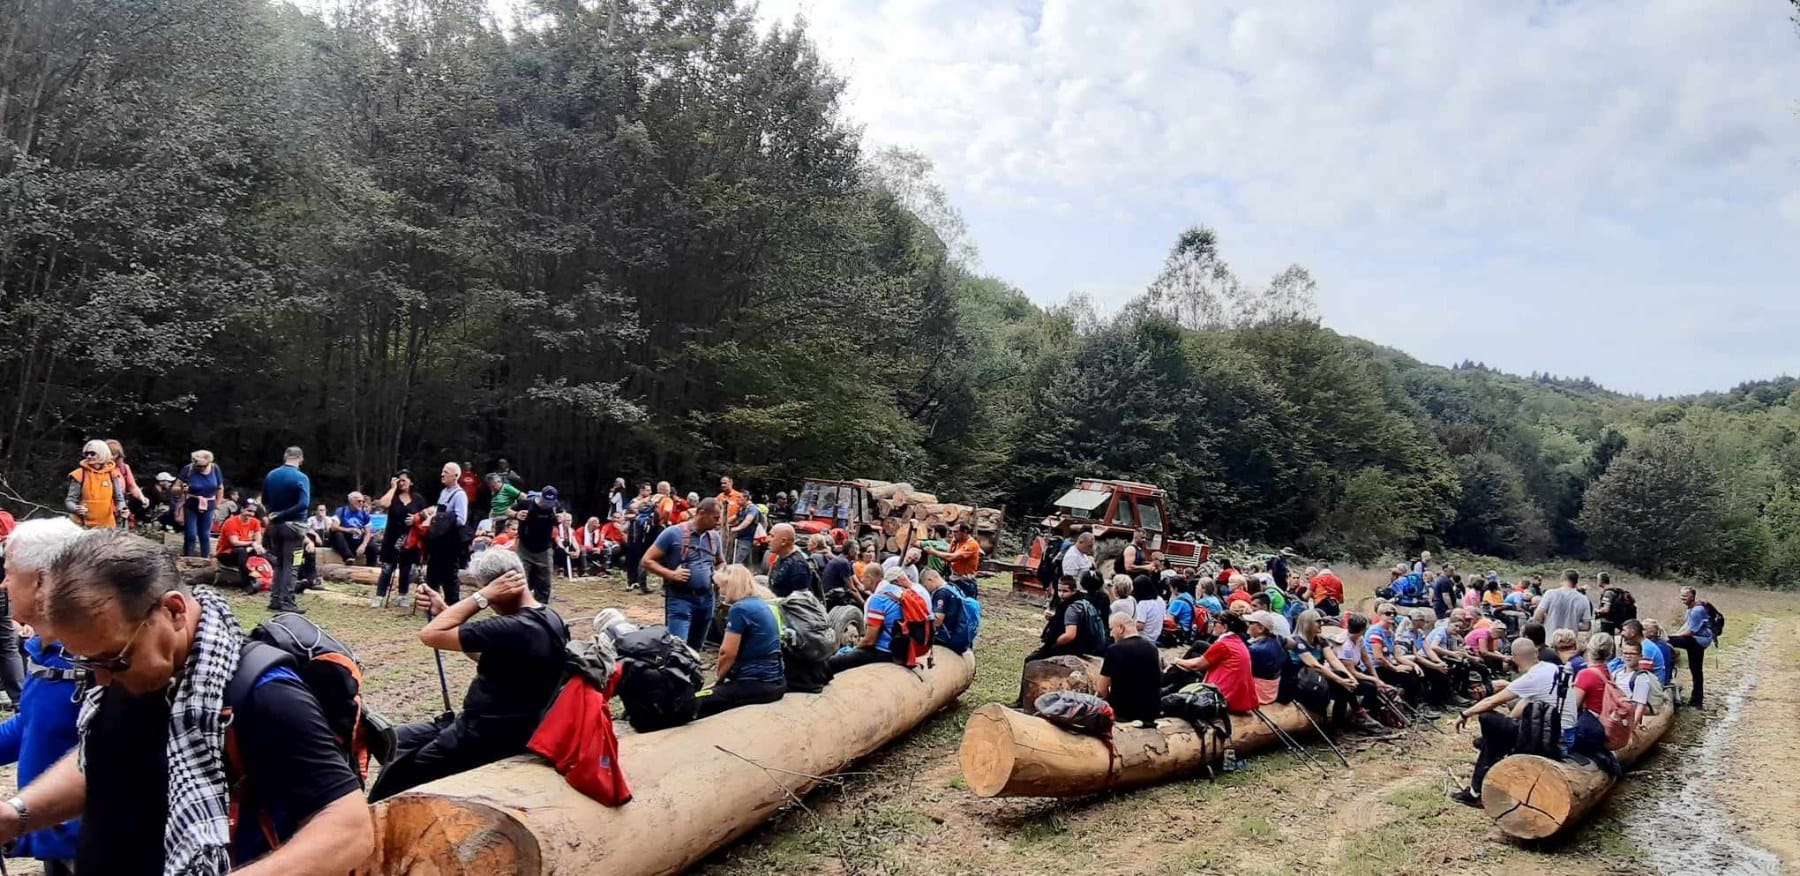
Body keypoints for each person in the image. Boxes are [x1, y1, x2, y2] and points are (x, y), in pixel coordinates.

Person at [17, 530, 371, 872]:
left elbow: (348, 827)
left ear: (173, 611)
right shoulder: (127, 670)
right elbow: (103, 762)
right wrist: (16, 815)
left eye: (114, 660)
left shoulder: (263, 693)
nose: (102, 680)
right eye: (87, 662)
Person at [373, 550, 568, 801]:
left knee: (396, 775)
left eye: (484, 589)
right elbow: (483, 655)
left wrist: (481, 597)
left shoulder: (514, 627)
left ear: (500, 587)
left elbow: (430, 635)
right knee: (394, 739)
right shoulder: (547, 618)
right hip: (486, 727)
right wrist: (443, 610)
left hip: (484, 737)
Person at [0, 519, 85, 875]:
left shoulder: (93, 661)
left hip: (86, 848)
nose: (3, 583)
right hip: (52, 838)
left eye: (8, 572)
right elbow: (32, 723)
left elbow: (109, 758)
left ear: (40, 581)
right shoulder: (45, 650)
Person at [1452, 638, 1569, 806]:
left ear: (1514, 657)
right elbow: (1520, 708)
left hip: (1549, 739)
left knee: (1487, 718)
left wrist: (1464, 714)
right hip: (1561, 732)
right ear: (1536, 653)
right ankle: (1479, 783)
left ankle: (1476, 792)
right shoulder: (1551, 668)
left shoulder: (1532, 677)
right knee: (1495, 737)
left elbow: (1490, 702)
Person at [695, 566, 785, 718]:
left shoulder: (740, 609)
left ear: (730, 586)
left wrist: (719, 679)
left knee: (694, 701)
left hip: (756, 682)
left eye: (722, 586)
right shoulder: (760, 603)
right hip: (775, 680)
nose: (721, 592)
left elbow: (727, 653)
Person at [642, 497, 723, 652]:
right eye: (715, 518)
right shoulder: (673, 533)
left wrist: (719, 574)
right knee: (677, 649)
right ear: (701, 513)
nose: (718, 522)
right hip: (681, 599)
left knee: (695, 649)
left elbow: (721, 562)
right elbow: (647, 561)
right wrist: (671, 574)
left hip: (707, 600)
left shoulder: (714, 537)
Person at [1173, 612, 1257, 713]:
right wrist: (1181, 662)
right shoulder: (1236, 641)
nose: (1213, 625)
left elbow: (1196, 666)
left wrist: (1177, 661)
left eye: (1216, 622)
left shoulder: (1223, 644)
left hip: (1223, 698)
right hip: (1236, 697)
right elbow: (1201, 661)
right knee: (1185, 666)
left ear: (1225, 627)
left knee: (1183, 674)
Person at [261, 447, 312, 614]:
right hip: (294, 527)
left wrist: (274, 514)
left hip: (275, 526)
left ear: (285, 457)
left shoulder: (271, 475)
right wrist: (284, 514)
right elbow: (303, 504)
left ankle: (275, 599)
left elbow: (265, 499)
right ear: (300, 459)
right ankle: (287, 601)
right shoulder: (301, 477)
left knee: (280, 563)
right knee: (293, 565)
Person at [1096, 613, 1161, 726]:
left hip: (1124, 713)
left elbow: (1101, 689)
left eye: (1111, 629)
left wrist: (1108, 702)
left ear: (1121, 628)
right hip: (1151, 712)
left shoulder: (1114, 650)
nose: (1111, 634)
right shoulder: (1152, 648)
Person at [1023, 576, 1103, 662]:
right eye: (1059, 590)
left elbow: (1070, 635)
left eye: (1065, 591)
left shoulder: (1072, 608)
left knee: (1030, 660)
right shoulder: (1083, 602)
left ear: (1074, 590)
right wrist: (1053, 618)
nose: (1061, 594)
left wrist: (1054, 644)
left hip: (1071, 647)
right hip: (1085, 645)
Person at [425, 462, 472, 604]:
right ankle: (432, 604)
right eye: (442, 471)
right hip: (437, 539)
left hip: (450, 542)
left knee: (449, 576)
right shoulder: (444, 492)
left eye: (446, 472)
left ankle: (452, 605)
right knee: (432, 573)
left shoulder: (460, 495)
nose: (442, 474)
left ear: (455, 476)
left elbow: (461, 519)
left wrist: (440, 517)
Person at [511, 487, 559, 603]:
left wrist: (560, 517)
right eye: (545, 501)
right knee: (522, 577)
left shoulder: (555, 506)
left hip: (544, 548)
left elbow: (562, 513)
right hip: (525, 547)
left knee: (544, 580)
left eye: (550, 502)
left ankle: (541, 606)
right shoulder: (527, 503)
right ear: (541, 496)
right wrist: (516, 514)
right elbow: (507, 510)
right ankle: (520, 604)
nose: (547, 505)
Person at [1668, 586, 1713, 708]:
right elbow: (1686, 626)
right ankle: (1696, 700)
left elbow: (1691, 631)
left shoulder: (1697, 610)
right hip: (1696, 640)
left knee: (1667, 640)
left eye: (1685, 595)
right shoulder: (1691, 609)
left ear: (1692, 596)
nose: (1682, 598)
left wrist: (1671, 638)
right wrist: (1675, 635)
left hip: (1698, 641)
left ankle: (1696, 701)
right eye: (1681, 595)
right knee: (1696, 670)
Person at [65, 440, 125, 531]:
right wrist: (75, 508)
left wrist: (123, 509)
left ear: (102, 454)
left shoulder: (112, 474)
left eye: (92, 453)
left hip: (107, 527)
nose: (88, 456)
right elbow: (69, 501)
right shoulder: (79, 474)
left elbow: (119, 500)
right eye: (86, 454)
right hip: (82, 526)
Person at [177, 450, 225, 557]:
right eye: (198, 466)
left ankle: (205, 558)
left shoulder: (215, 468)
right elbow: (175, 488)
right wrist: (182, 489)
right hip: (191, 505)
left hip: (209, 505)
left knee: (205, 535)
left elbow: (220, 488)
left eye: (204, 466)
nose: (201, 468)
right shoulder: (188, 469)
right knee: (191, 534)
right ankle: (188, 557)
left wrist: (217, 506)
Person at [1611, 641, 1658, 731]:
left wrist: (1633, 726)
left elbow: (1640, 705)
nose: (1628, 656)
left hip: (1627, 716)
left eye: (1632, 654)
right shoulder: (1616, 673)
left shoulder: (1641, 678)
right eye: (1625, 653)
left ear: (1640, 656)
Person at [214, 500, 266, 581]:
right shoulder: (231, 522)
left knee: (263, 552)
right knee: (241, 551)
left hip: (247, 549)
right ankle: (245, 581)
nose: (251, 514)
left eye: (253, 512)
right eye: (249, 511)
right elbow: (234, 542)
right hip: (227, 553)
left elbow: (258, 539)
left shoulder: (255, 522)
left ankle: (265, 578)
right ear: (242, 509)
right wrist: (251, 543)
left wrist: (256, 546)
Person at [922, 569, 971, 653]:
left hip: (946, 636)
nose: (927, 589)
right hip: (958, 631)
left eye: (926, 586)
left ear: (930, 580)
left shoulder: (941, 594)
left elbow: (938, 621)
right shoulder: (952, 587)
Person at [1534, 569, 1593, 636]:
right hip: (1569, 639)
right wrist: (1574, 625)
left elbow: (1537, 616)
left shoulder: (1550, 594)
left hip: (1550, 637)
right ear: (1576, 582)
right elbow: (1586, 626)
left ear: (1562, 579)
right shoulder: (1583, 599)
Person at [1245, 611, 1286, 706]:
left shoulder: (1255, 649)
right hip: (1273, 689)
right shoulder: (1278, 639)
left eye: (1251, 623)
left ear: (1261, 628)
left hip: (1260, 693)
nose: (1248, 625)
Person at [765, 524, 816, 599]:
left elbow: (801, 601)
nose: (767, 540)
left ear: (783, 541)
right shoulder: (781, 556)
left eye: (772, 536)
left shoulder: (798, 566)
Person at [328, 493, 375, 566]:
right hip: (344, 540)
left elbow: (368, 532)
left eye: (362, 501)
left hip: (357, 539)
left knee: (372, 546)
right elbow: (333, 527)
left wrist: (363, 545)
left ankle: (372, 566)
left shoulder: (364, 514)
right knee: (338, 534)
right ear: (351, 501)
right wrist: (348, 530)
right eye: (359, 501)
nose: (361, 503)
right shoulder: (341, 511)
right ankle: (348, 557)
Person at [727, 490, 761, 566]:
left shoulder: (752, 509)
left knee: (736, 562)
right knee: (739, 561)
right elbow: (733, 518)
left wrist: (736, 528)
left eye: (739, 497)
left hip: (747, 540)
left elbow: (747, 521)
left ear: (746, 498)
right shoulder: (742, 509)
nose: (737, 499)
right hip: (740, 538)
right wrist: (723, 523)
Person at [1640, 619, 1677, 685]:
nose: (1639, 631)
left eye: (1643, 629)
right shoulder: (1662, 643)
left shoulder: (1653, 647)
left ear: (1652, 633)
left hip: (1657, 681)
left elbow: (1644, 670)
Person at [1131, 575, 1165, 641]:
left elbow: (1140, 626)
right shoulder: (1160, 599)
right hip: (1157, 635)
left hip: (1145, 638)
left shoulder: (1143, 604)